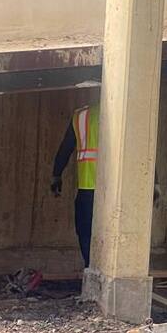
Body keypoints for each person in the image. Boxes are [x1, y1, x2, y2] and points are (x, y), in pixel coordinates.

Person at [50, 103, 100, 268]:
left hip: (88, 188)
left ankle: (91, 269)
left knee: (85, 232)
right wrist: (155, 182)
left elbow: (65, 148)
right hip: (118, 191)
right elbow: (144, 147)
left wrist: (57, 174)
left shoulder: (81, 116)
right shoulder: (126, 112)